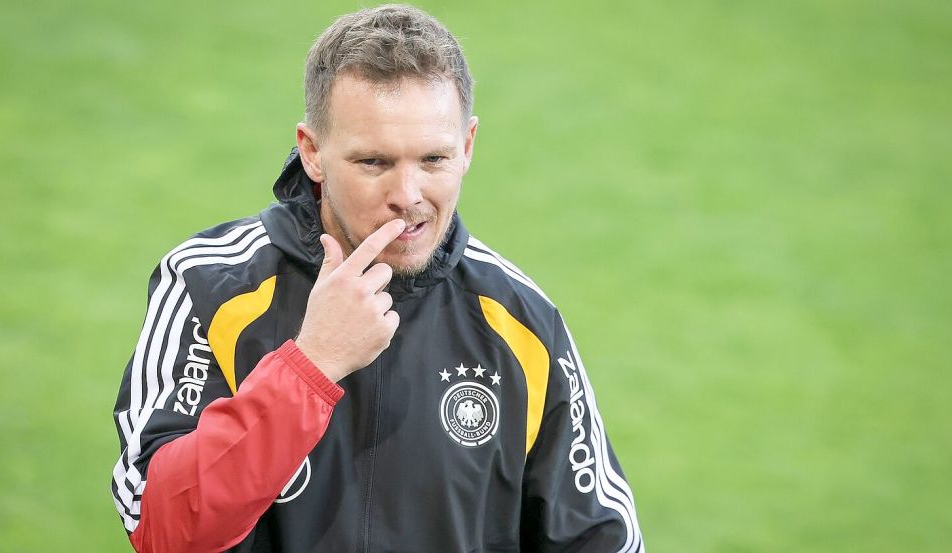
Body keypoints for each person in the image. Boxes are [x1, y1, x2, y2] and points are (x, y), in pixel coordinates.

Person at [110, 4, 643, 552]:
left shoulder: (522, 321)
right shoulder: (210, 284)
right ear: (312, 152)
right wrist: (311, 366)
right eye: (374, 162)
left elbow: (601, 540)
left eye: (433, 159)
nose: (408, 196)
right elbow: (165, 530)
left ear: (467, 147)